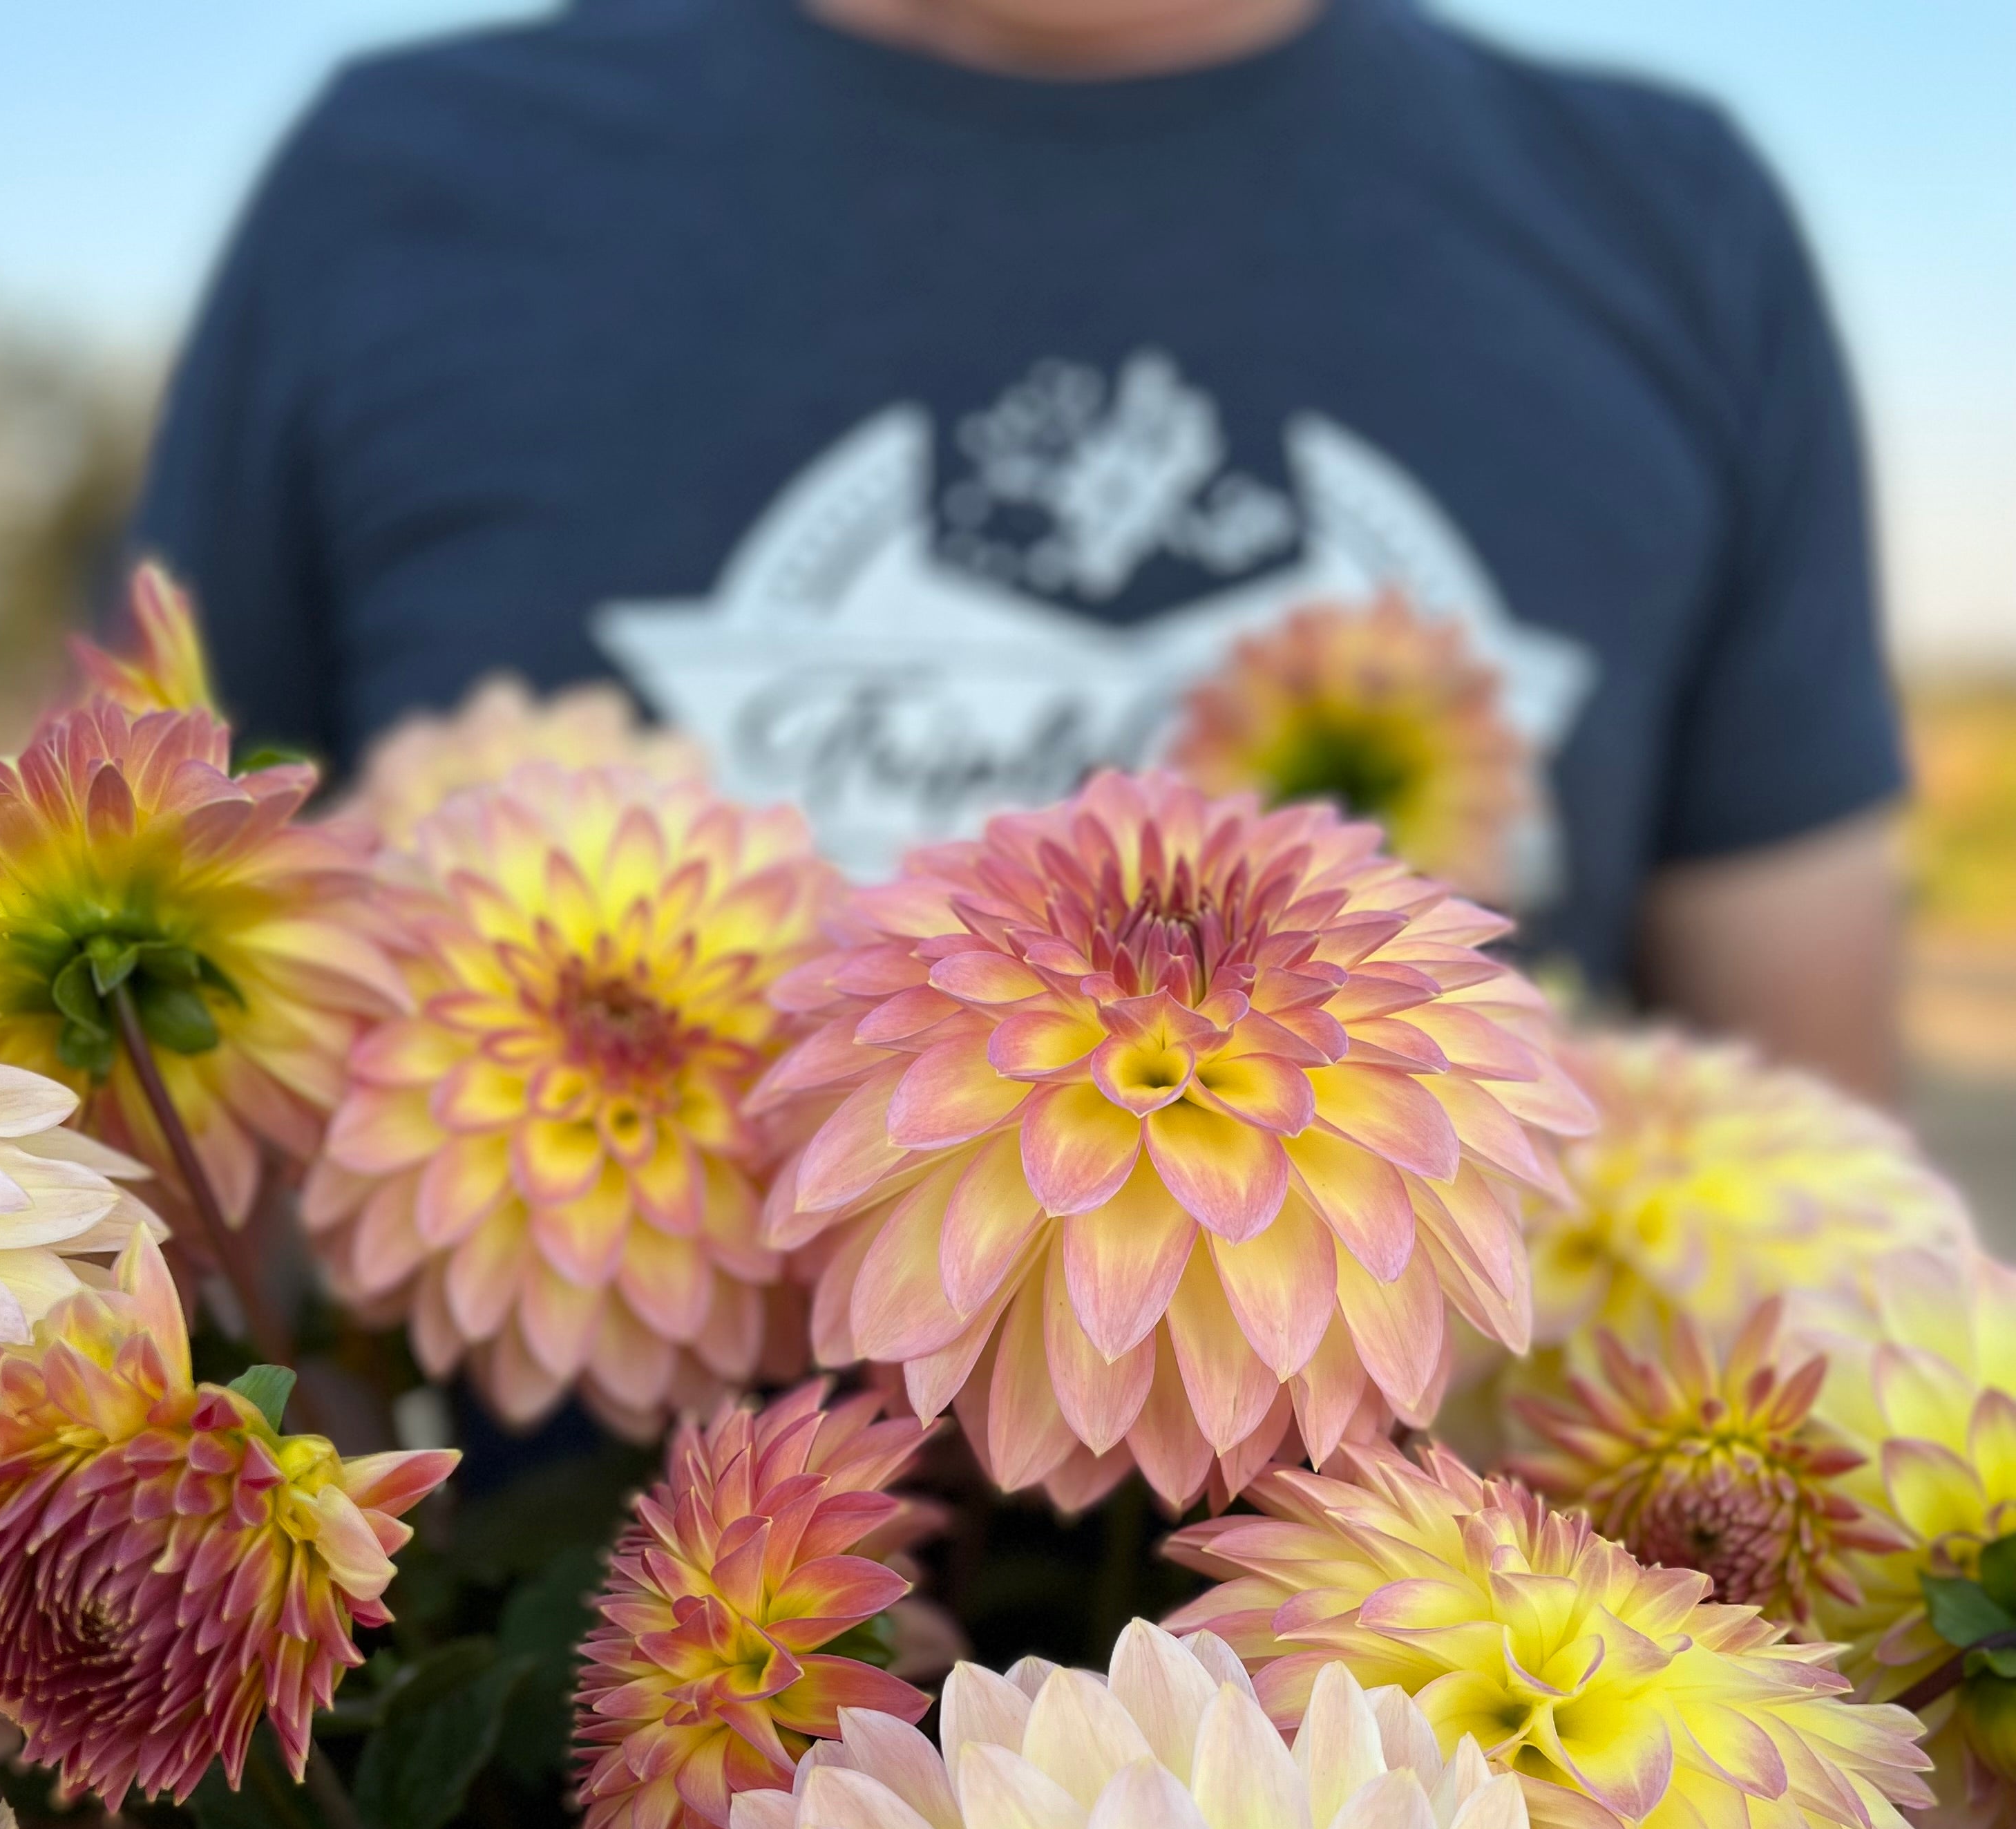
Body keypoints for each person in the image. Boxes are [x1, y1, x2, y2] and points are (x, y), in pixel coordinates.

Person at [137, 0, 1907, 1095]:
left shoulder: (1675, 219)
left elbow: (1796, 1182)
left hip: (1445, 1673)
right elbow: (152, 1070)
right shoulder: (402, 181)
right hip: (586, 1658)